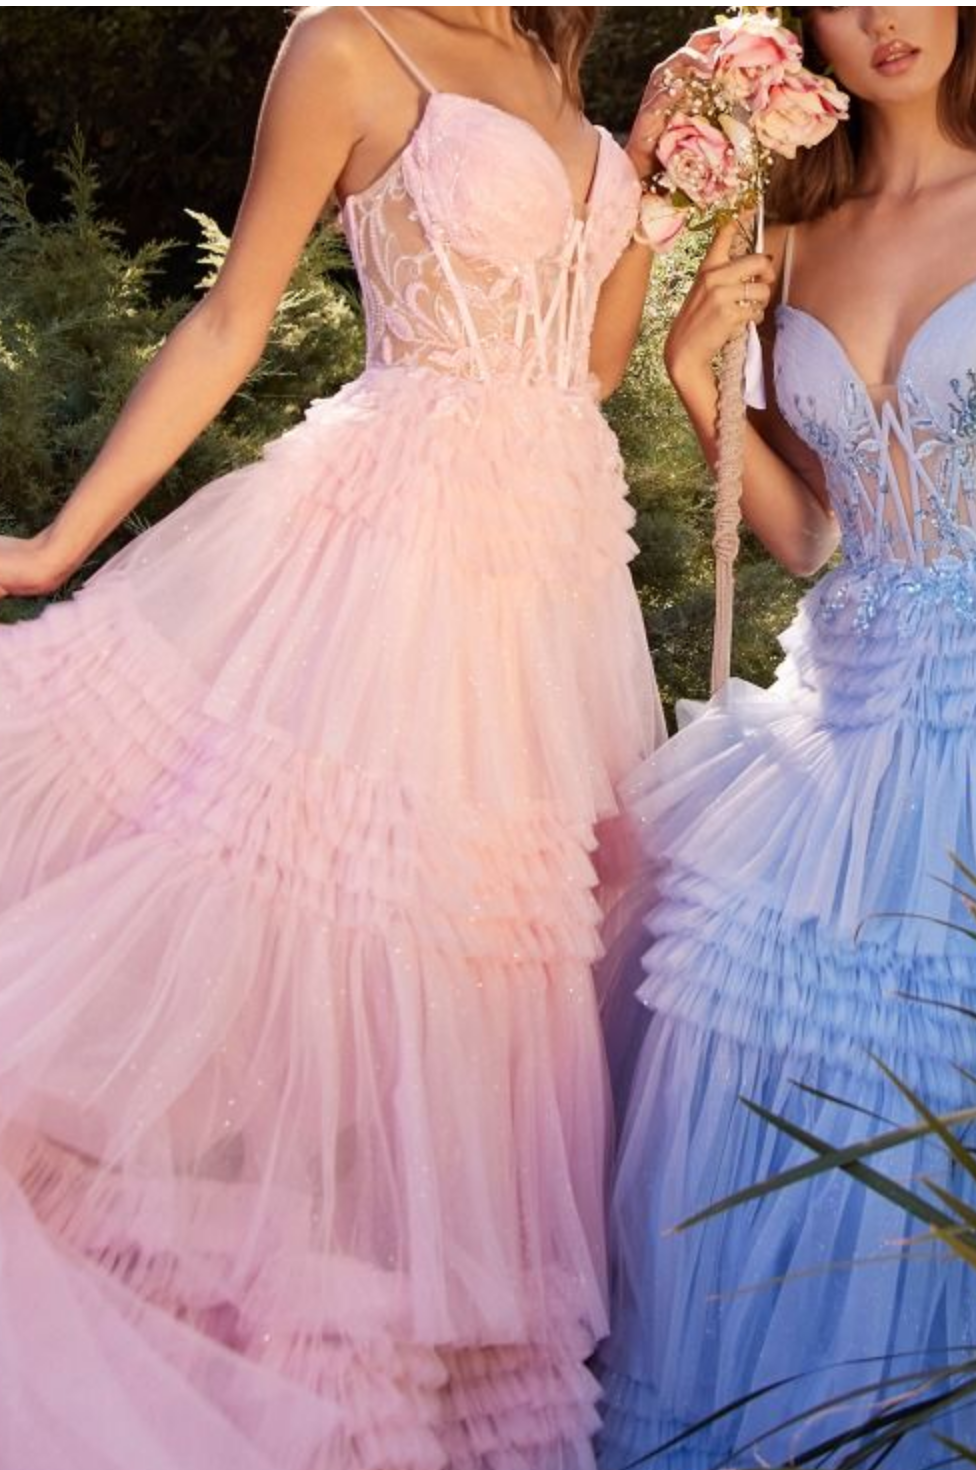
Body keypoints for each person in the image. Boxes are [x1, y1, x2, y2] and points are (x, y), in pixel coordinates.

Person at [0, 8, 669, 1467]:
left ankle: (402, 1391)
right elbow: (232, 316)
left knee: (492, 989)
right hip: (395, 570)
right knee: (334, 966)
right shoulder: (354, 42)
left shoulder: (559, 69)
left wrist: (662, 193)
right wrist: (58, 545)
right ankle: (269, 1372)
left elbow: (588, 370)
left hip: (555, 595)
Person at [597, 7, 976, 1468]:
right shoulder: (790, 231)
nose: (882, 20)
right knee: (772, 1061)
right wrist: (699, 377)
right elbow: (814, 536)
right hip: (847, 726)